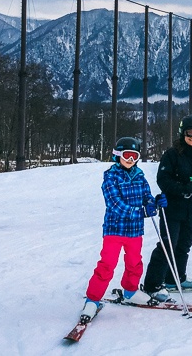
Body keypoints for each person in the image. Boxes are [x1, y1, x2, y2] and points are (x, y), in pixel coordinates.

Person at [79, 136, 167, 321]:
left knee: (135, 263)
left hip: (135, 231)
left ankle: (130, 291)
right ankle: (93, 300)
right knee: (107, 265)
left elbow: (146, 197)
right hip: (115, 230)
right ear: (117, 155)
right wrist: (142, 211)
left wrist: (154, 202)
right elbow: (115, 205)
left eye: (134, 156)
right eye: (127, 155)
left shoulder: (139, 175)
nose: (130, 160)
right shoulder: (110, 177)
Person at [141, 114, 192, 301]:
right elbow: (163, 180)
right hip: (173, 208)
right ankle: (152, 284)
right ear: (182, 133)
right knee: (168, 245)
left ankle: (176, 278)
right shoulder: (172, 154)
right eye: (189, 132)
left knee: (184, 245)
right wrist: (183, 188)